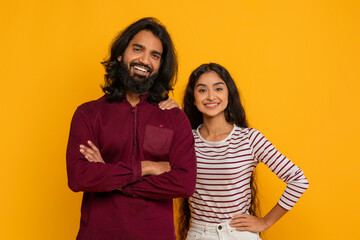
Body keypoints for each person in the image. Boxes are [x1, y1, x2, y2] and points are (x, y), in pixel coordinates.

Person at [66, 17, 197, 240]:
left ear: (160, 66)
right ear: (120, 54)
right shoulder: (88, 113)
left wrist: (110, 177)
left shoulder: (175, 118)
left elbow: (184, 183)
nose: (145, 60)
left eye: (155, 55)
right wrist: (147, 167)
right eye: (138, 49)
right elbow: (79, 177)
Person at [177, 63, 309, 240]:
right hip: (199, 234)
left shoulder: (249, 138)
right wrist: (165, 110)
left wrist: (266, 222)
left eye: (218, 88)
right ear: (193, 98)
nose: (210, 96)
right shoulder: (185, 141)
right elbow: (159, 166)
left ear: (228, 95)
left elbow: (298, 180)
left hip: (238, 234)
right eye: (202, 90)